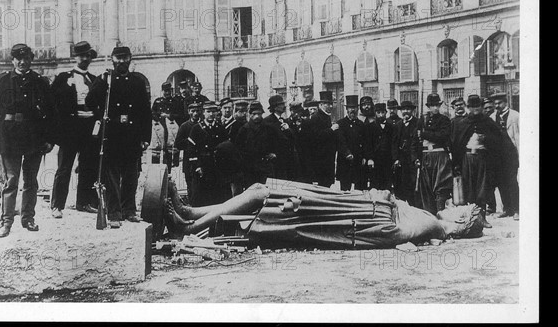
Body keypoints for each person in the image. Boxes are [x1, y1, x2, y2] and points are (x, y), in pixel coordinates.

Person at [163, 180, 486, 246]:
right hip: (343, 204)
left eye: (461, 208)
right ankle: (190, 212)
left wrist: (384, 199)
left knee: (261, 193)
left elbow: (390, 231)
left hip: (338, 211)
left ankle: (189, 226)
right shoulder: (431, 222)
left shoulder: (432, 224)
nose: (455, 205)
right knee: (258, 190)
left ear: (460, 221)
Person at [85, 46, 152, 228]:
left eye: (125, 58)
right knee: (112, 176)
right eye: (118, 58)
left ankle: (129, 210)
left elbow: (146, 112)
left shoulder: (137, 82)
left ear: (130, 59)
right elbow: (89, 101)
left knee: (131, 174)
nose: (121, 62)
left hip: (132, 135)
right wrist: (102, 116)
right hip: (112, 135)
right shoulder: (106, 79)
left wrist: (146, 137)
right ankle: (114, 213)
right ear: (113, 59)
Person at [0, 44, 55, 237]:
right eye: (18, 58)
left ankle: (28, 218)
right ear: (13, 60)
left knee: (31, 181)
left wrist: (48, 139)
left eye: (26, 58)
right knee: (11, 180)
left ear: (31, 59)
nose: (22, 62)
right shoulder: (2, 81)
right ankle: (6, 222)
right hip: (10, 138)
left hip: (33, 137)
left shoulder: (40, 82)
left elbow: (50, 112)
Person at [49, 41, 99, 219]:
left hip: (89, 128)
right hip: (70, 129)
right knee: (64, 167)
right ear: (75, 57)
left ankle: (83, 202)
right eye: (81, 55)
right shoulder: (64, 78)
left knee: (88, 166)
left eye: (88, 55)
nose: (85, 58)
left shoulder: (94, 80)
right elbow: (53, 105)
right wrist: (56, 131)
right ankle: (57, 205)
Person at [450, 94, 502, 229]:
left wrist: (487, 139)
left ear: (481, 106)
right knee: (468, 188)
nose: (475, 110)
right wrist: (456, 163)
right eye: (472, 107)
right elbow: (456, 143)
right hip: (467, 158)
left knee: (482, 188)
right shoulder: (463, 123)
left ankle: (482, 218)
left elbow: (498, 141)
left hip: (483, 158)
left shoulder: (488, 122)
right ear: (468, 107)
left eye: (477, 106)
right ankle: (471, 218)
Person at [414, 94, 453, 214]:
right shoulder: (422, 120)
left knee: (441, 184)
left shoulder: (444, 120)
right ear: (428, 106)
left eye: (437, 105)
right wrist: (416, 157)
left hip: (439, 154)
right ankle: (429, 214)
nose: (435, 108)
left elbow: (443, 136)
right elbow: (415, 140)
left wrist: (425, 134)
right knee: (426, 186)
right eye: (432, 105)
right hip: (425, 155)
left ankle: (440, 212)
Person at [187, 101, 229, 206]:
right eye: (208, 111)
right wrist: (197, 166)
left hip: (216, 168)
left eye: (213, 111)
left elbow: (225, 148)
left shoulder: (220, 128)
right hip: (202, 167)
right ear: (204, 113)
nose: (211, 114)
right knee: (200, 196)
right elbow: (191, 150)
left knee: (217, 196)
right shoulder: (196, 129)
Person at [490, 92, 520, 220]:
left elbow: (520, 135)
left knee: (512, 181)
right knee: (501, 182)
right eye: (495, 104)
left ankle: (517, 209)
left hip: (511, 153)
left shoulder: (515, 116)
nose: (497, 106)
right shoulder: (492, 117)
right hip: (498, 155)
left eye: (499, 103)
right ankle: (507, 209)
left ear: (505, 102)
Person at [234, 101, 279, 187]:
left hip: (266, 166)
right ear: (250, 114)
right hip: (250, 168)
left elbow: (278, 142)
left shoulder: (269, 128)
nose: (257, 116)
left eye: (259, 114)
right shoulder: (244, 129)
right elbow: (238, 148)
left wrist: (274, 153)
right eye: (254, 114)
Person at [334, 95, 367, 191]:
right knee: (345, 188)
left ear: (357, 109)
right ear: (347, 109)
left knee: (359, 187)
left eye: (354, 108)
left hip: (358, 160)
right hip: (345, 161)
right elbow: (340, 141)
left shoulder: (361, 125)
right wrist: (347, 153)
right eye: (350, 108)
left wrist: (365, 156)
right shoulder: (340, 123)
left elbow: (365, 142)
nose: (352, 110)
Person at [174, 101, 203, 203]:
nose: (195, 113)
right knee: (190, 185)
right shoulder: (184, 126)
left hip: (202, 159)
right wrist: (191, 141)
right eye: (193, 111)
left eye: (197, 111)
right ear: (189, 112)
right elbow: (178, 144)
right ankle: (192, 206)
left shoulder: (203, 125)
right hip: (188, 161)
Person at [391, 100, 419, 205]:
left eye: (408, 109)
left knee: (413, 185)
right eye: (403, 110)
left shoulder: (417, 123)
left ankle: (414, 207)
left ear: (412, 111)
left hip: (412, 160)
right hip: (401, 160)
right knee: (401, 185)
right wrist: (396, 158)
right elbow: (394, 143)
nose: (406, 112)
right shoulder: (398, 125)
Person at [310, 91, 339, 187]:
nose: (330, 106)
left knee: (327, 184)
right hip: (320, 159)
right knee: (322, 184)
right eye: (327, 104)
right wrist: (331, 130)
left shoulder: (327, 116)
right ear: (321, 104)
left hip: (328, 159)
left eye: (331, 104)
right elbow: (316, 137)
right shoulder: (316, 118)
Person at [263, 95, 294, 180]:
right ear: (275, 107)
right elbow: (265, 140)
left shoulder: (284, 121)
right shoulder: (267, 121)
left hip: (286, 159)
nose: (284, 106)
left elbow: (291, 138)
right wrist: (270, 153)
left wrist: (288, 129)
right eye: (281, 104)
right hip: (275, 161)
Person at [365, 103, 394, 191]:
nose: (381, 115)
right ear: (375, 113)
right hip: (375, 162)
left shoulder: (391, 127)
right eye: (378, 112)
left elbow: (393, 144)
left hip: (388, 162)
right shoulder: (370, 127)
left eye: (382, 112)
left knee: (387, 187)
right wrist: (370, 158)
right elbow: (368, 144)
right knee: (375, 186)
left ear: (386, 113)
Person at [150, 100, 180, 173]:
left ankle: (168, 171)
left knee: (169, 150)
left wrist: (169, 116)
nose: (167, 93)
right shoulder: (158, 100)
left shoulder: (174, 101)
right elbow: (152, 112)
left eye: (168, 91)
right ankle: (156, 171)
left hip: (170, 125)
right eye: (165, 91)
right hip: (160, 124)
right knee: (156, 149)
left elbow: (179, 114)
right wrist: (158, 116)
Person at [481, 96, 497, 214]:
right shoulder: (483, 121)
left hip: (495, 155)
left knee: (497, 181)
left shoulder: (493, 120)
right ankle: (491, 206)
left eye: (490, 108)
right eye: (485, 108)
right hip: (484, 156)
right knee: (487, 182)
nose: (488, 110)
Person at [290, 107, 313, 183]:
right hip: (293, 157)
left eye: (300, 114)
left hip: (306, 157)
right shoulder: (289, 124)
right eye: (295, 113)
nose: (298, 116)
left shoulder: (307, 123)